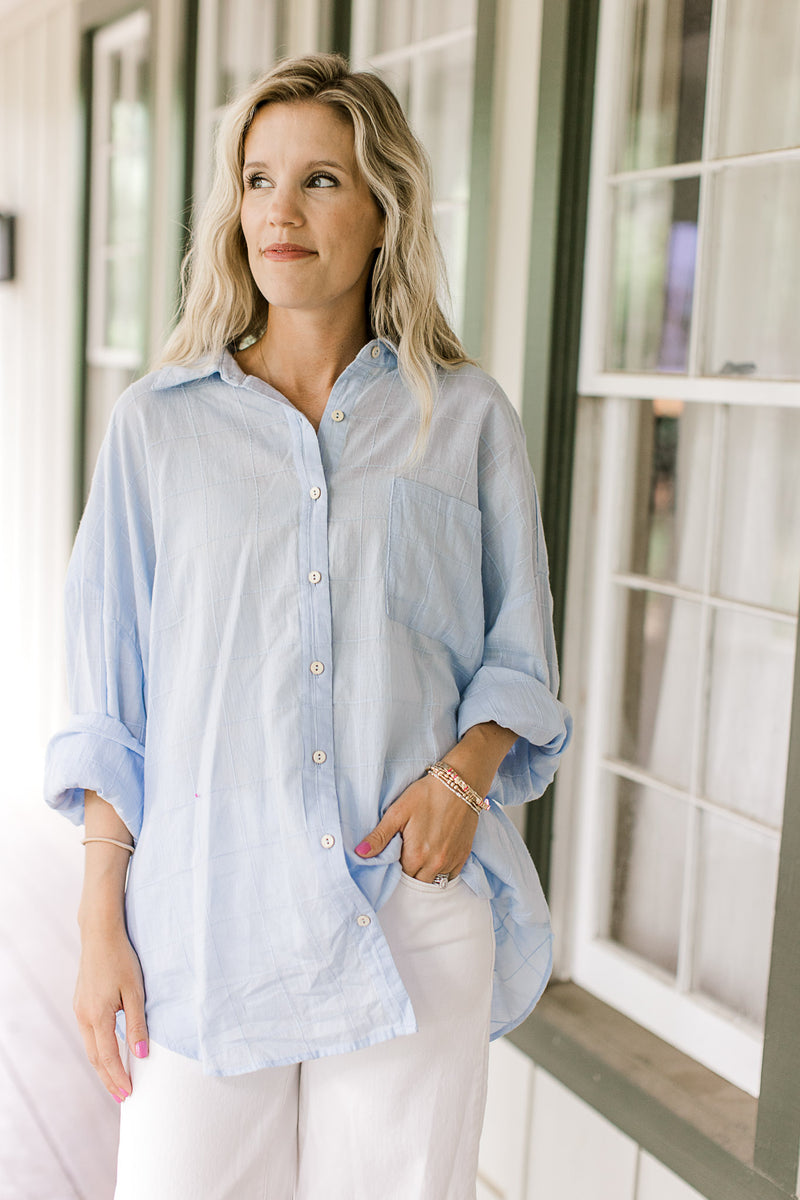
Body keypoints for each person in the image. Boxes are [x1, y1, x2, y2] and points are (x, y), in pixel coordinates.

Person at [44, 52, 570, 1200]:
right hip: (205, 910)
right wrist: (98, 927)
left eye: (321, 180)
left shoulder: (465, 419)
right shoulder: (157, 429)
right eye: (257, 177)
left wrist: (466, 776)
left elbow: (519, 657)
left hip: (405, 909)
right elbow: (106, 703)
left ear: (383, 210)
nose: (280, 211)